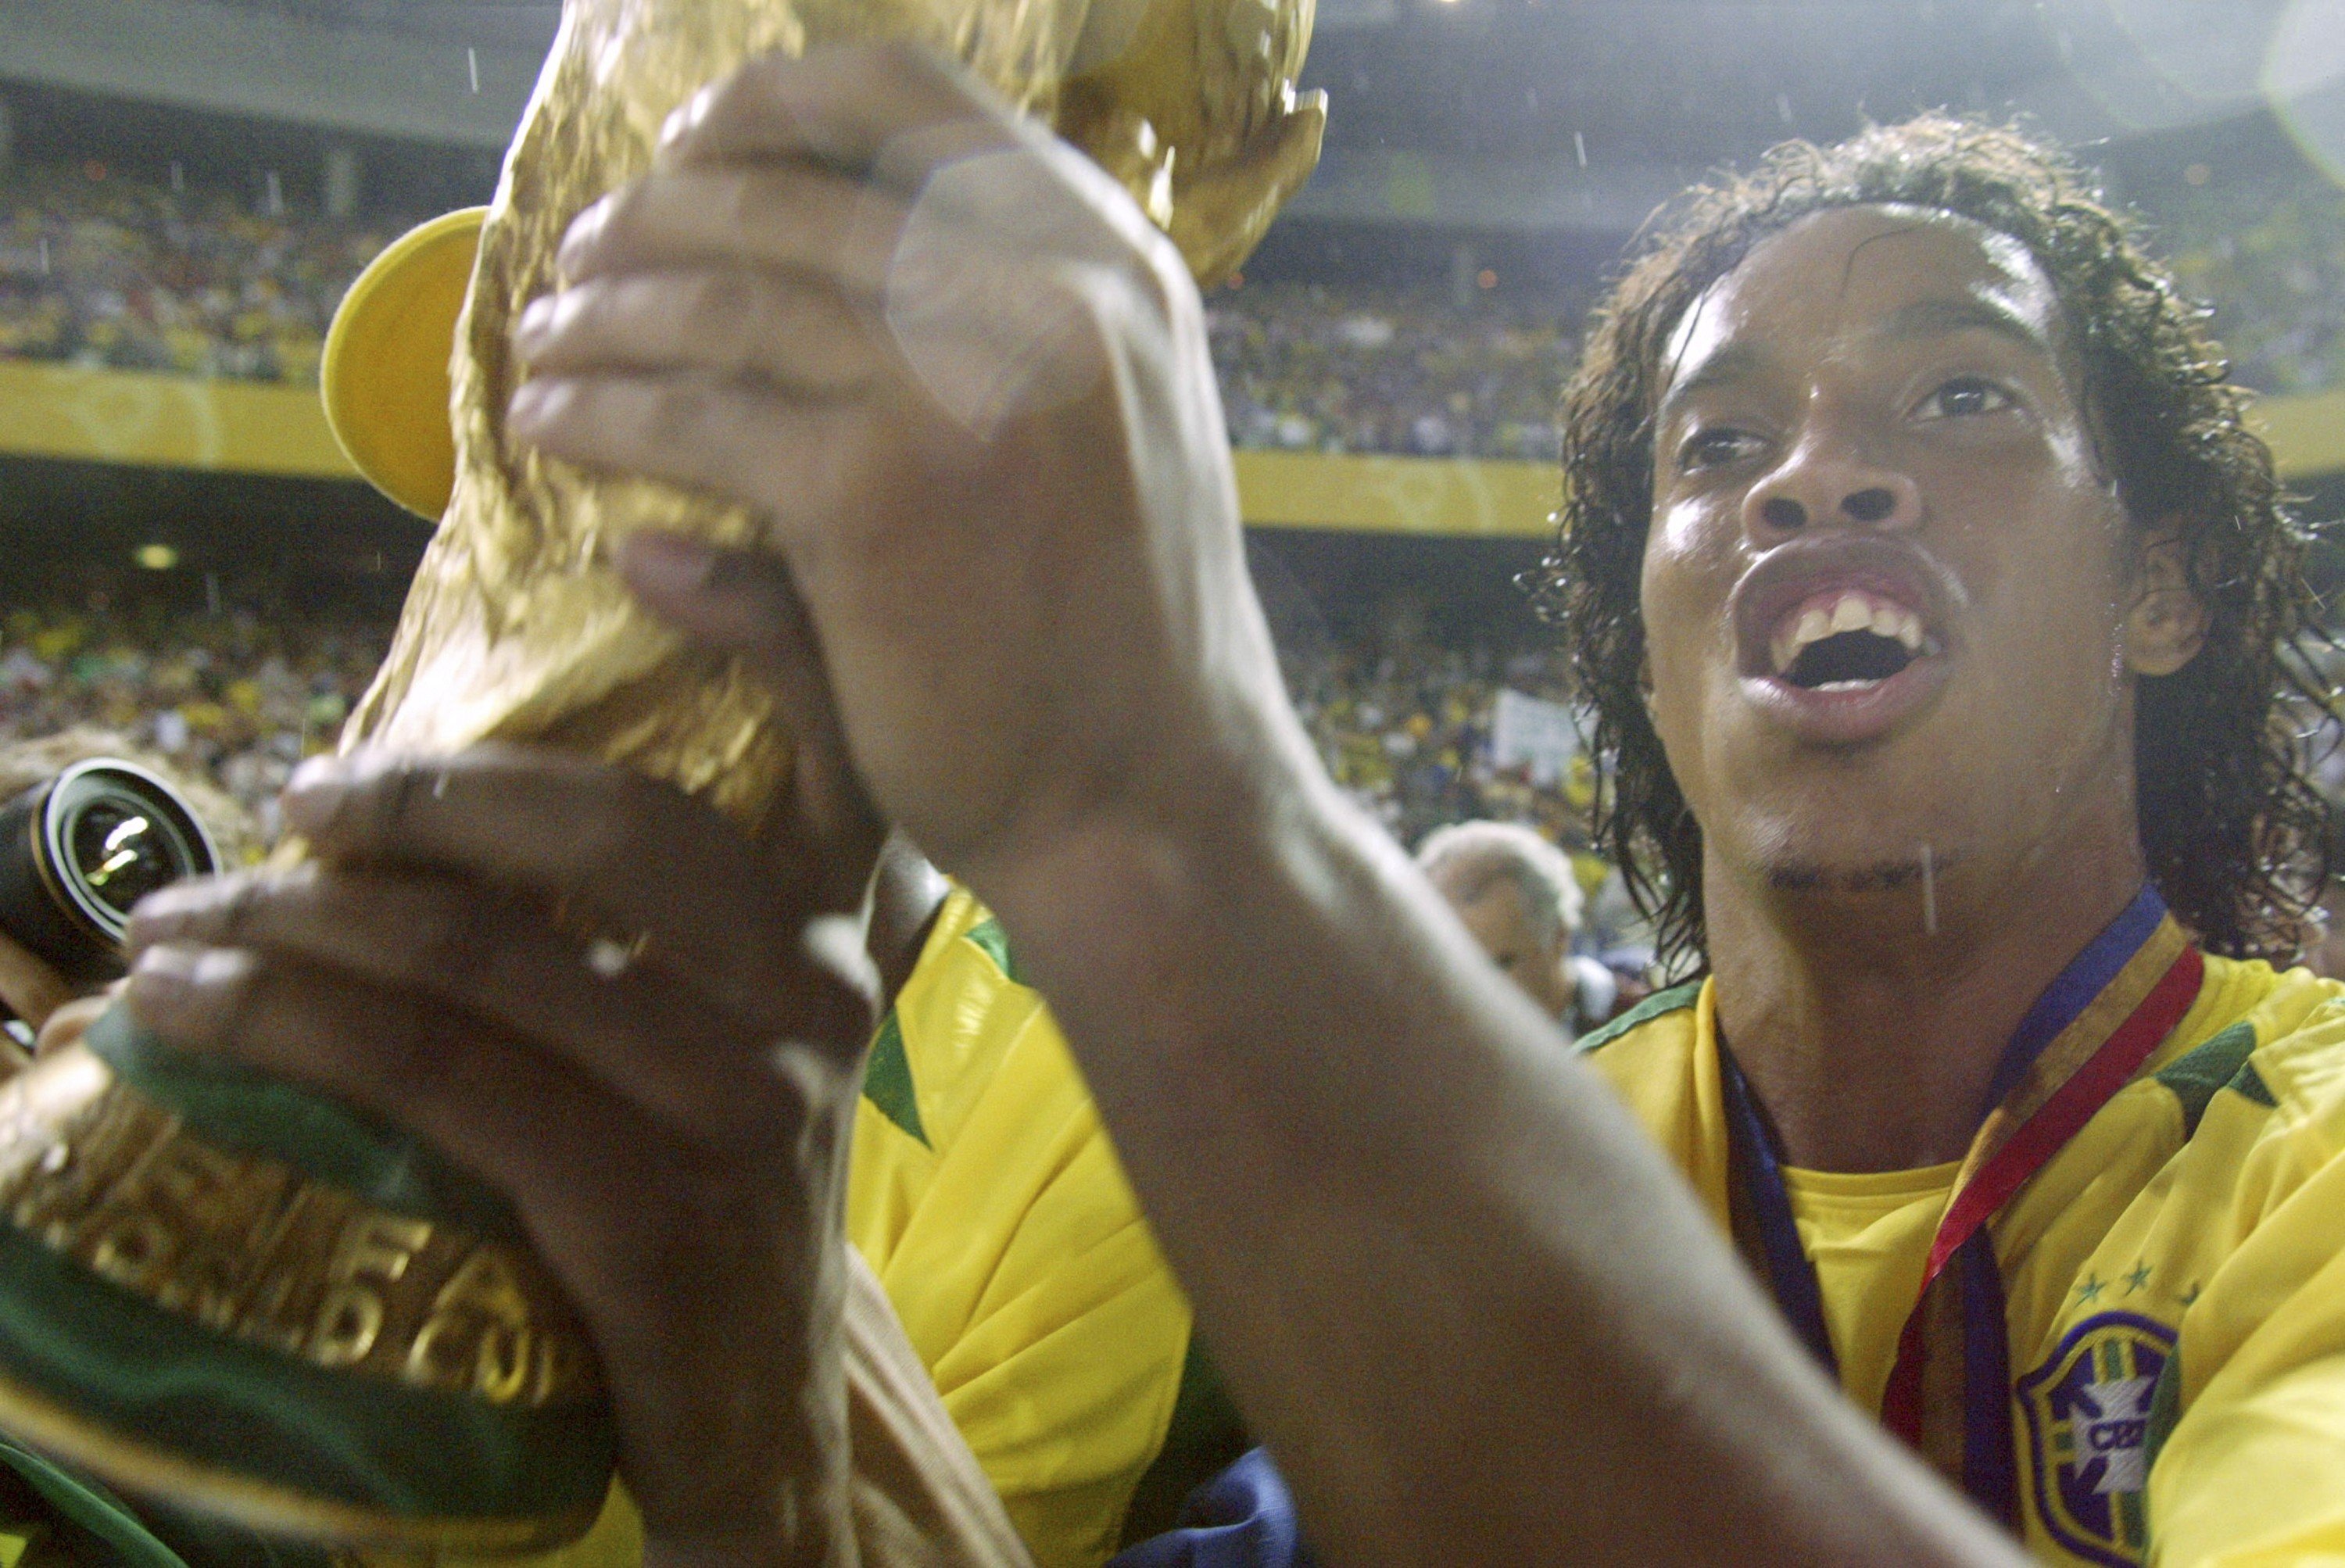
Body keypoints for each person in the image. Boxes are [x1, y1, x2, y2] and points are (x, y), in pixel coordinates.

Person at [115, 48, 2345, 1568]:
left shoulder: (2309, 1158)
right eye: (1714, 443)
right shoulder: (1507, 1144)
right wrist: (772, 1421)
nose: (1814, 472)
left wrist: (1151, 808)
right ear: (1635, 633)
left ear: (2161, 584)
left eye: (1961, 395)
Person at [1415, 821, 1615, 1036]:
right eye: (1447, 972)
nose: (1470, 994)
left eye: (1498, 967)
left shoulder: (1632, 1034)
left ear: (1559, 937)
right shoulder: (1426, 1052)